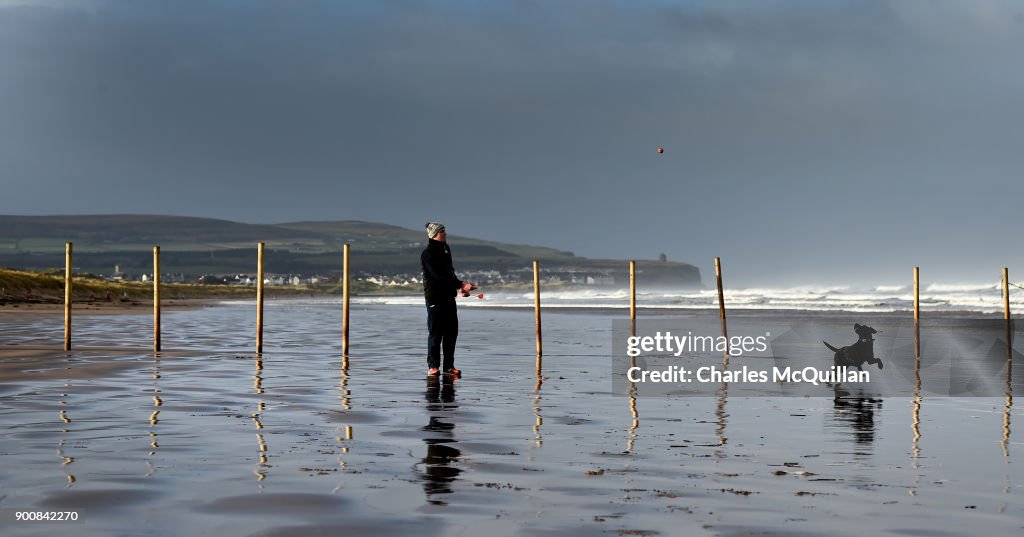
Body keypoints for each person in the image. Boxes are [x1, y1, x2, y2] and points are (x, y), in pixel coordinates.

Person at [421, 222, 476, 377]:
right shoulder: (428, 253)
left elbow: (450, 274)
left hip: (448, 297)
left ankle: (449, 366)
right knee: (436, 333)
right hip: (434, 298)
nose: (445, 234)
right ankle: (433, 367)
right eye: (442, 231)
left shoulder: (446, 249)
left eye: (445, 231)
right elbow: (438, 276)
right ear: (434, 234)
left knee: (451, 333)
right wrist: (461, 284)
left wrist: (460, 288)